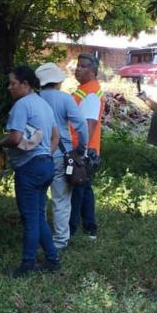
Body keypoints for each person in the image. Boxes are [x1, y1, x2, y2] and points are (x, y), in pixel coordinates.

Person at [0, 66, 60, 277]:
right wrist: (43, 154)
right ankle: (52, 259)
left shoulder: (21, 105)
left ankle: (27, 265)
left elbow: (14, 138)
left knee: (30, 218)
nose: (9, 87)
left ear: (26, 84)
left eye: (13, 83)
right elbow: (55, 137)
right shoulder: (44, 104)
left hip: (30, 169)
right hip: (46, 164)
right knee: (38, 215)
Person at [35, 62, 88, 250]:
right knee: (61, 200)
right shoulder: (65, 99)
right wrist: (82, 148)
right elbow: (81, 124)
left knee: (38, 198)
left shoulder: (34, 98)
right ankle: (60, 241)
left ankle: (37, 235)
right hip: (61, 154)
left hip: (37, 155)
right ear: (58, 81)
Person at [68, 53, 104, 239]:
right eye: (78, 65)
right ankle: (90, 227)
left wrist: (80, 153)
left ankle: (71, 229)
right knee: (84, 187)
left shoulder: (90, 94)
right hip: (85, 149)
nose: (78, 69)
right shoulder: (85, 89)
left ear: (93, 71)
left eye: (83, 66)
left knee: (76, 188)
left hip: (82, 150)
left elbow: (89, 125)